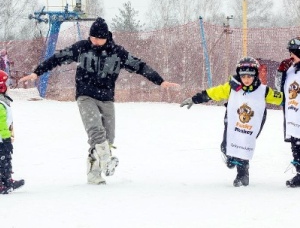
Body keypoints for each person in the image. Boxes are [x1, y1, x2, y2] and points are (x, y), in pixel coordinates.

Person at [19, 17, 179, 185]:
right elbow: (57, 57)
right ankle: (107, 160)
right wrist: (37, 72)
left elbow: (140, 66)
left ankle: (94, 174)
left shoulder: (118, 53)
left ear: (106, 37)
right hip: (85, 95)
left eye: (97, 38)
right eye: (92, 37)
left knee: (109, 138)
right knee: (96, 131)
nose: (93, 41)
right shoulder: (81, 48)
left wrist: (160, 81)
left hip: (107, 98)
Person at [180, 57, 283, 187]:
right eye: (243, 76)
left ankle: (242, 174)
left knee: (244, 145)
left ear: (255, 75)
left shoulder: (264, 91)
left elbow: (282, 99)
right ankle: (230, 156)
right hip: (233, 120)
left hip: (253, 122)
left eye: (250, 76)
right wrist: (195, 99)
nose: (246, 79)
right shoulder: (232, 87)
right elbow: (214, 93)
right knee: (226, 146)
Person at [276, 37, 300, 187]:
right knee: (296, 145)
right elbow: (279, 89)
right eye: (290, 52)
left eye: (294, 52)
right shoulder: (290, 69)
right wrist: (281, 72)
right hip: (292, 114)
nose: (291, 55)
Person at [0, 70, 24, 194]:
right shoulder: (0, 103)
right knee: (3, 160)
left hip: (3, 138)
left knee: (6, 160)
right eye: (6, 83)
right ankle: (2, 183)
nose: (8, 86)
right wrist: (6, 139)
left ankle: (6, 180)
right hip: (1, 140)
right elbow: (1, 123)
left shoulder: (3, 100)